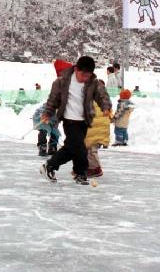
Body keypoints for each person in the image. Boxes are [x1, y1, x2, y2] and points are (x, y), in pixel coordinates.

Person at [39, 56, 112, 185]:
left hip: (84, 121)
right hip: (69, 120)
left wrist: (106, 107)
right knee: (78, 148)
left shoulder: (93, 82)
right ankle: (74, 172)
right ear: (76, 69)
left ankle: (61, 169)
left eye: (88, 76)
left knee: (75, 148)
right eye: (83, 75)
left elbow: (102, 95)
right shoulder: (62, 81)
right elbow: (53, 99)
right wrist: (47, 113)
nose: (85, 78)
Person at [84, 101, 111, 178]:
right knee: (89, 151)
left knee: (91, 151)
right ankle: (90, 168)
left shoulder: (91, 101)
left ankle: (96, 169)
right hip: (97, 130)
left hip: (95, 131)